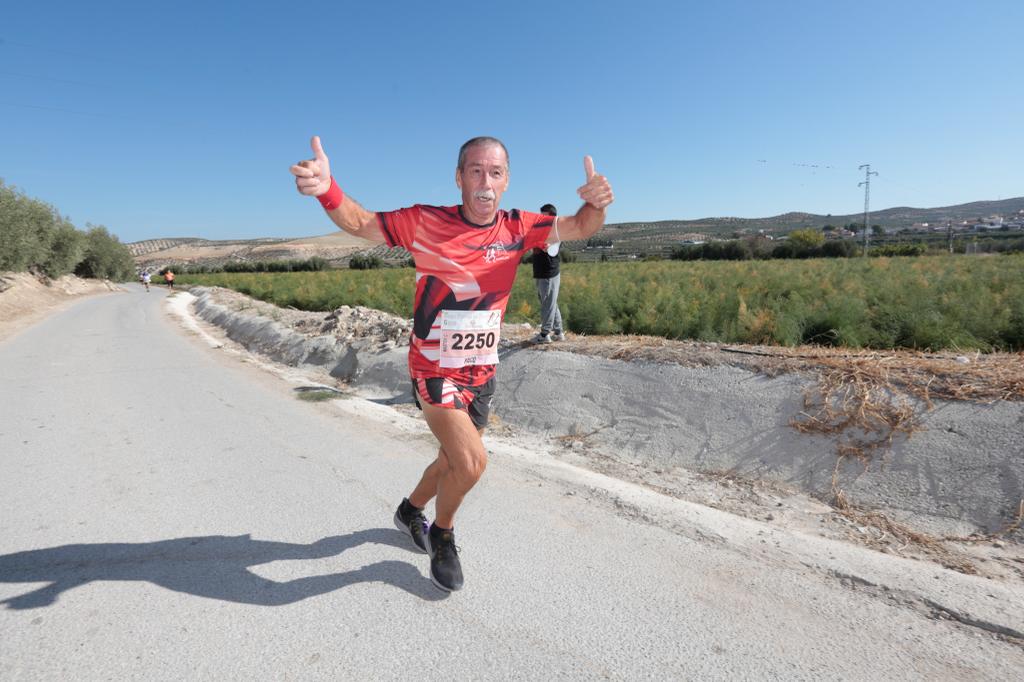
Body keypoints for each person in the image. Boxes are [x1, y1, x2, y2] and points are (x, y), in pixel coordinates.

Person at [290, 135, 613, 591]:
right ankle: (443, 533)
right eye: (476, 171)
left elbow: (582, 225)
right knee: (472, 461)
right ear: (459, 177)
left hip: (481, 370)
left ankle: (409, 511)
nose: (485, 182)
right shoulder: (425, 222)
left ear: (506, 181)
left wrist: (598, 204)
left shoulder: (520, 226)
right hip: (433, 369)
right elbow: (362, 222)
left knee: (452, 460)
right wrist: (327, 188)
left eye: (495, 173)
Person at [531, 204, 565, 343]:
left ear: (551, 216)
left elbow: (548, 249)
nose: (540, 217)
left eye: (543, 215)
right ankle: (559, 332)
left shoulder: (555, 231)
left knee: (548, 304)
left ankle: (545, 335)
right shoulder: (543, 230)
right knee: (551, 303)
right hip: (543, 273)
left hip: (548, 274)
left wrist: (541, 244)